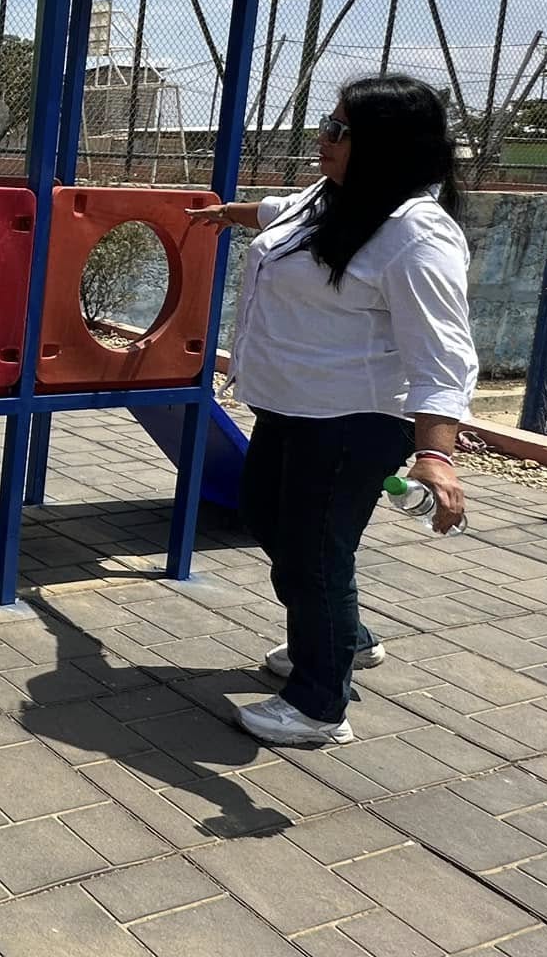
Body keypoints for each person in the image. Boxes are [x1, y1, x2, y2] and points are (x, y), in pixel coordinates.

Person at [189, 74, 477, 748]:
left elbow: (445, 354)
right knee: (266, 516)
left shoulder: (415, 235)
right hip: (292, 405)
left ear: (385, 147)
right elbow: (280, 210)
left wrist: (435, 454)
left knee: (314, 553)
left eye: (341, 131)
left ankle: (319, 704)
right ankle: (345, 637)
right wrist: (225, 213)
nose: (325, 138)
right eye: (329, 123)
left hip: (352, 421)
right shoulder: (335, 195)